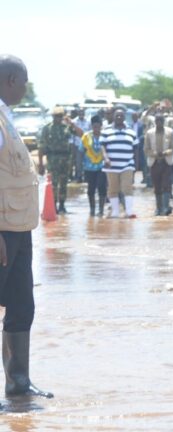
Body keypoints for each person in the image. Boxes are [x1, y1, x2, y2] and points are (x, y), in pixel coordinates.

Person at [0, 54, 53, 400]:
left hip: (19, 228)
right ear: (10, 80)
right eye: (24, 81)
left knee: (22, 305)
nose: (26, 87)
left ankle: (18, 382)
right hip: (3, 230)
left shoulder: (7, 116)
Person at [38, 106, 83, 214]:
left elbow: (81, 134)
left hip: (65, 159)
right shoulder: (47, 128)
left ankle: (62, 205)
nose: (58, 118)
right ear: (52, 116)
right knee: (53, 183)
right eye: (56, 116)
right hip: (52, 159)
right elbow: (41, 146)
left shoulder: (67, 127)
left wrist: (72, 123)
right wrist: (40, 164)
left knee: (63, 183)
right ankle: (53, 205)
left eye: (60, 116)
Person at [101, 107, 139, 218]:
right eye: (117, 115)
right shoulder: (106, 130)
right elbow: (102, 147)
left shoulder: (131, 131)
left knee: (127, 187)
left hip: (127, 165)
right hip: (111, 165)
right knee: (113, 189)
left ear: (124, 117)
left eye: (121, 116)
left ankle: (129, 212)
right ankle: (115, 211)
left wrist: (136, 164)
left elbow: (136, 148)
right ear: (113, 117)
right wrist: (106, 158)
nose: (119, 117)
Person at [144, 114, 173, 216]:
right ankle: (158, 208)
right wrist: (155, 154)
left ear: (164, 121)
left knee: (166, 185)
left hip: (166, 161)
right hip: (154, 162)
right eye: (157, 120)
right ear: (155, 121)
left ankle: (165, 207)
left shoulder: (170, 132)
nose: (159, 122)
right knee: (157, 186)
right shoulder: (149, 133)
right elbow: (146, 149)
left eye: (161, 120)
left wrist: (165, 153)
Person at [81, 115, 109, 216]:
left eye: (98, 126)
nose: (96, 128)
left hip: (102, 166)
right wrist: (80, 166)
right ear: (92, 126)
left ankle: (101, 210)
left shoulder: (105, 136)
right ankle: (92, 210)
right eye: (94, 126)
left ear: (101, 126)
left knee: (102, 187)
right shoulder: (86, 136)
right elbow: (81, 151)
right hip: (89, 167)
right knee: (91, 189)